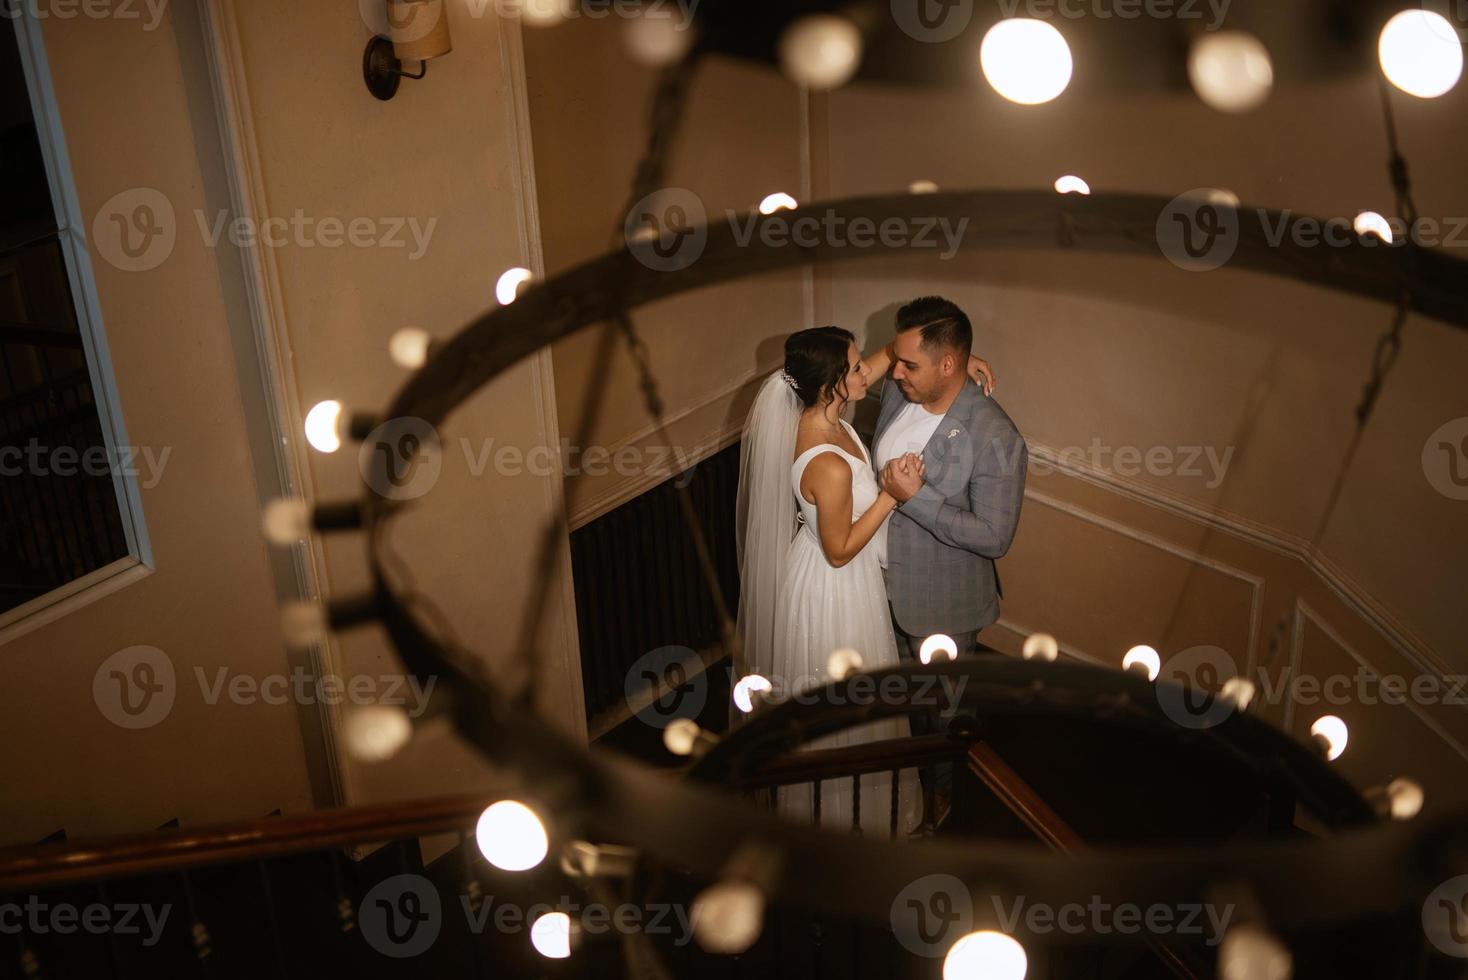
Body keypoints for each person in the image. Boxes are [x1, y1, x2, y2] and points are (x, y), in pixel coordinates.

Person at [734, 324, 993, 835]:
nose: (868, 372)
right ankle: (844, 825)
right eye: (855, 368)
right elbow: (840, 549)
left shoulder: (820, 411)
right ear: (833, 383)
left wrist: (957, 363)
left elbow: (884, 355)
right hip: (833, 587)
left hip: (840, 577)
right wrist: (892, 495)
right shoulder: (826, 464)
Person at [873, 296, 1028, 818]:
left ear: (948, 365)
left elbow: (994, 537)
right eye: (896, 360)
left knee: (943, 714)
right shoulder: (901, 394)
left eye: (908, 364)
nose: (895, 373)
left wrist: (916, 499)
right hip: (878, 590)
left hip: (942, 605)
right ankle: (905, 787)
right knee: (898, 705)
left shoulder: (997, 437)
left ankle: (946, 801)